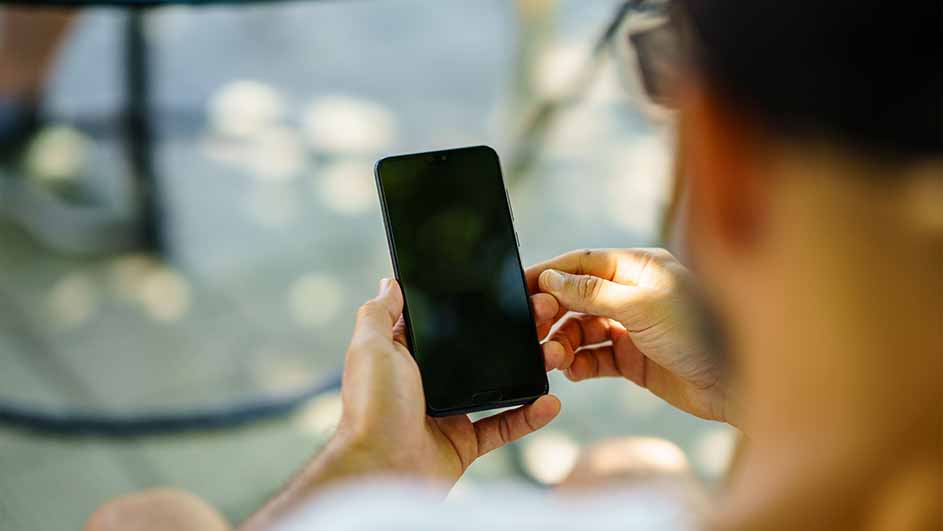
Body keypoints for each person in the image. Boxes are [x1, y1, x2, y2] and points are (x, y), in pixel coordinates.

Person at [85, 0, 942, 529]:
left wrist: (366, 466)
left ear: (723, 164)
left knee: (145, 515)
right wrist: (750, 389)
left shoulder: (374, 517)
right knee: (628, 469)